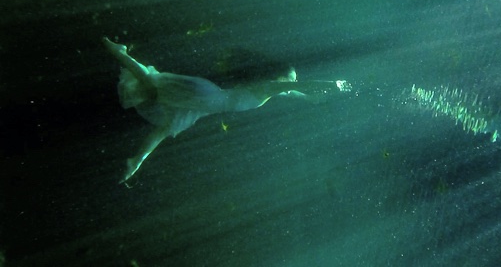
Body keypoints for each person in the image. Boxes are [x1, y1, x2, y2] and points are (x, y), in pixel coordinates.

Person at [103, 37, 351, 184]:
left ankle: (136, 161)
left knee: (167, 123)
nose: (291, 83)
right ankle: (117, 52)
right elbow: (299, 86)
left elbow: (298, 92)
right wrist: (334, 84)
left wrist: (312, 100)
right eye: (290, 78)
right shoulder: (268, 87)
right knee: (153, 88)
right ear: (279, 76)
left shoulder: (272, 90)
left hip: (209, 106)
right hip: (206, 96)